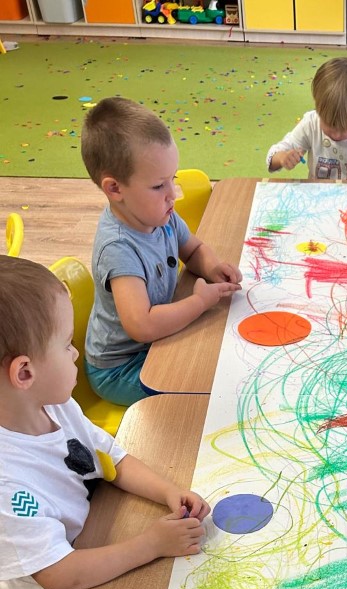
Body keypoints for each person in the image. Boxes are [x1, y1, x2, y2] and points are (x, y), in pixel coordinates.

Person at [0, 256, 211, 589]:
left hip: (91, 536)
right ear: (25, 372)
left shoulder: (53, 404)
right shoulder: (7, 486)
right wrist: (150, 545)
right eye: (66, 344)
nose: (76, 353)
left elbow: (110, 457)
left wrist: (167, 490)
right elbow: (59, 574)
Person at [80, 97, 242, 408]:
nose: (173, 194)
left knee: (218, 356)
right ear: (115, 189)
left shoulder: (160, 216)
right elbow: (143, 325)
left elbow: (193, 249)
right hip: (121, 367)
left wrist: (212, 267)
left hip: (155, 341)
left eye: (173, 179)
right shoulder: (118, 248)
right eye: (158, 186)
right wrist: (199, 302)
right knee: (204, 394)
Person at [266, 58, 347, 186]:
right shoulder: (311, 124)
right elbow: (272, 157)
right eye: (329, 125)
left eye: (344, 129)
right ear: (318, 109)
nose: (336, 135)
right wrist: (282, 158)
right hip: (317, 195)